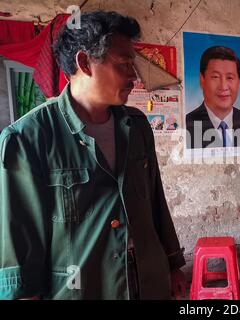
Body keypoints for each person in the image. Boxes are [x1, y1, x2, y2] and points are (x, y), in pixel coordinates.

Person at [0, 11, 186, 300]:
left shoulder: (136, 125)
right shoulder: (28, 138)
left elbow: (155, 201)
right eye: (124, 64)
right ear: (84, 62)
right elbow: (19, 240)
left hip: (148, 282)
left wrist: (173, 264)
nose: (134, 76)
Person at [186, 46, 240, 149]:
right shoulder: (187, 124)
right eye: (215, 77)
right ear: (202, 80)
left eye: (230, 78)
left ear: (239, 82)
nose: (223, 87)